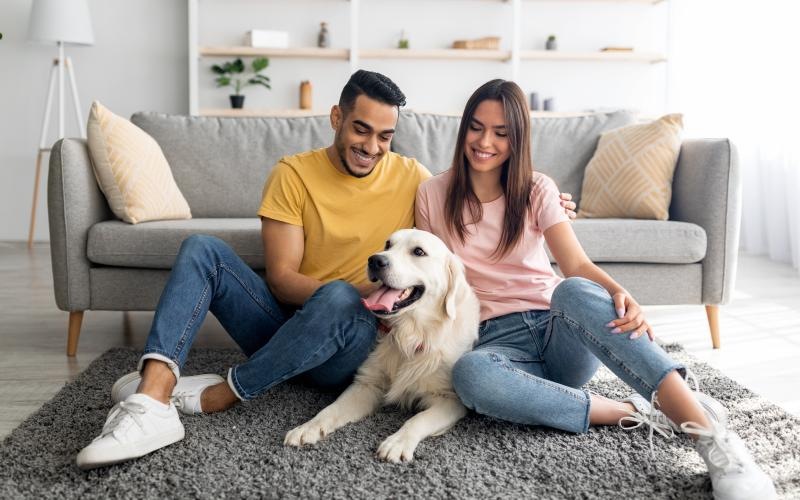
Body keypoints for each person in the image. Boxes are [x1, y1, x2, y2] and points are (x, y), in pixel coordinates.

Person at [74, 69, 579, 470]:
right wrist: (369, 291)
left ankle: (220, 394)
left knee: (340, 300)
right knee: (202, 248)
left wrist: (545, 200)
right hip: (293, 324)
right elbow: (282, 279)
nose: (373, 146)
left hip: (359, 339)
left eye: (386, 136)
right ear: (337, 117)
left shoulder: (414, 180)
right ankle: (153, 397)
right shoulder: (292, 173)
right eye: (361, 129)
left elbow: (467, 208)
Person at [414, 79, 777, 500]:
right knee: (469, 376)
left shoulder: (536, 189)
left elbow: (577, 265)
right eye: (476, 128)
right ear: (464, 129)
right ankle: (639, 411)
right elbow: (427, 278)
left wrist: (624, 295)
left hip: (558, 330)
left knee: (573, 290)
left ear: (518, 140)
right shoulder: (431, 194)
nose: (485, 142)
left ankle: (714, 442)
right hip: (492, 343)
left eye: (501, 133)